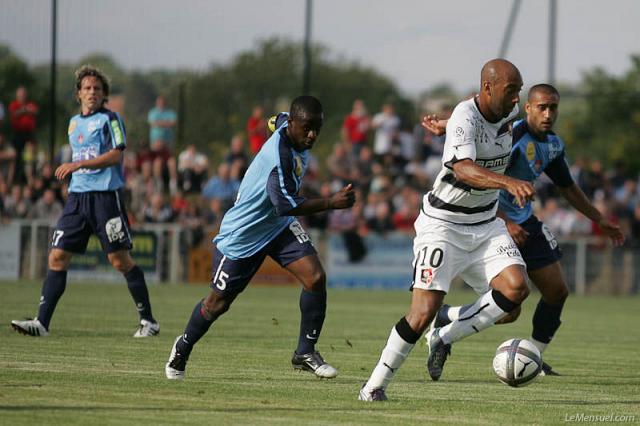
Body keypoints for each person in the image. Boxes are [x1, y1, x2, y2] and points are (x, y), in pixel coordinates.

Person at [359, 59, 535, 401]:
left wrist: (447, 125)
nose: (516, 99)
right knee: (421, 312)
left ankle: (445, 334)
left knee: (514, 295)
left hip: (484, 224)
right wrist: (508, 181)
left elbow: (485, 119)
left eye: (519, 90)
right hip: (443, 225)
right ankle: (373, 387)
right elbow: (464, 169)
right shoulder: (466, 115)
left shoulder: (505, 113)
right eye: (511, 90)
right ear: (488, 88)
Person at [425, 84, 625, 375]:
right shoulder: (512, 134)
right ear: (528, 108)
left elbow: (567, 187)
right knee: (509, 311)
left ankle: (532, 356)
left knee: (557, 291)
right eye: (541, 107)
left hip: (525, 221)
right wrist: (506, 221)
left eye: (553, 107)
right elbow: (475, 162)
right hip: (492, 218)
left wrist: (599, 218)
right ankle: (444, 331)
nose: (548, 113)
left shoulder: (553, 144)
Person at [165, 96, 356, 380]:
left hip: (277, 227)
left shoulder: (285, 123)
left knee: (315, 278)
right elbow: (286, 204)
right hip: (243, 235)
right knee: (217, 304)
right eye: (307, 128)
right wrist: (330, 202)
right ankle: (183, 346)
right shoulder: (279, 158)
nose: (313, 135)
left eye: (317, 128)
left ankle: (305, 351)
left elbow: (273, 120)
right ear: (293, 124)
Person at [11, 65, 159, 337]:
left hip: (106, 199)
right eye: (87, 88)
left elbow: (117, 155)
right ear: (78, 93)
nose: (92, 92)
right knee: (57, 256)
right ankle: (42, 323)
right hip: (77, 199)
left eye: (97, 89)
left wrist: (79, 165)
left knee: (120, 261)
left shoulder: (110, 119)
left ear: (104, 95)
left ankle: (148, 321)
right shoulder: (73, 123)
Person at [8, 86, 38, 184]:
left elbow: (34, 111)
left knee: (28, 158)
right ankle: (13, 181)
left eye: (23, 94)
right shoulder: (14, 105)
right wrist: (25, 110)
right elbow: (14, 113)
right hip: (17, 135)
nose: (22, 96)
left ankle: (29, 180)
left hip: (28, 135)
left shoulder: (30, 104)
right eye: (20, 95)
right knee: (15, 157)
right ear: (17, 96)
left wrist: (24, 110)